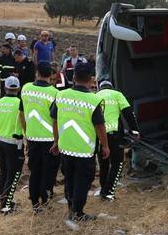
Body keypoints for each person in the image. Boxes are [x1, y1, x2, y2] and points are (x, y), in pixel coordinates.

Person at [51, 62, 109, 222]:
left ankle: (71, 206)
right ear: (91, 79)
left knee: (69, 179)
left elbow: (54, 120)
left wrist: (56, 142)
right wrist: (105, 146)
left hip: (66, 148)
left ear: (74, 77)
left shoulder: (61, 95)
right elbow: (100, 126)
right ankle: (77, 212)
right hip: (84, 150)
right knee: (83, 181)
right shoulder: (94, 99)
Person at [19, 62, 59, 212]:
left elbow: (21, 114)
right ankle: (45, 199)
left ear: (37, 73)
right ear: (50, 75)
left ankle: (35, 203)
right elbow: (57, 120)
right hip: (49, 139)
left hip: (32, 137)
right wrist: (57, 140)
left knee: (34, 171)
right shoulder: (55, 93)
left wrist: (26, 133)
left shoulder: (26, 89)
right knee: (48, 171)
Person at [96, 80, 140, 201]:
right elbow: (128, 113)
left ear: (100, 88)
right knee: (118, 163)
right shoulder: (117, 94)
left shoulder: (95, 96)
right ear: (111, 87)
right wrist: (135, 130)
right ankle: (108, 192)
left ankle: (103, 190)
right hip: (114, 135)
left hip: (99, 135)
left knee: (104, 164)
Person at [0, 76, 25, 213]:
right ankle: (6, 206)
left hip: (1, 142)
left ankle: (3, 200)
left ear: (5, 88)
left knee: (4, 172)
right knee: (14, 174)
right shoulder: (20, 104)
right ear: (19, 89)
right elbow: (24, 123)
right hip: (15, 144)